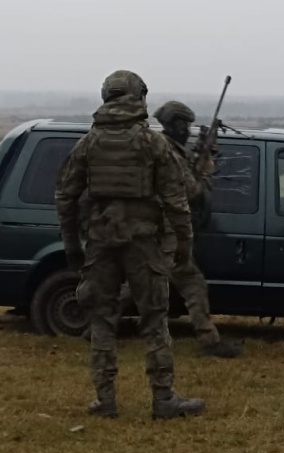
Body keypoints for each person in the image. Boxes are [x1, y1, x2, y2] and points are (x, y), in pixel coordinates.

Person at [55, 69, 206, 420]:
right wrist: (184, 243)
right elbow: (176, 199)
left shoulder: (89, 142)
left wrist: (71, 244)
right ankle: (163, 398)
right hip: (143, 243)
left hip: (100, 242)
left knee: (102, 320)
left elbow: (65, 195)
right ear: (139, 95)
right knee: (154, 318)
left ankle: (105, 399)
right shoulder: (152, 142)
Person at [151, 100, 243, 358]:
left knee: (143, 282)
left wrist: (204, 155)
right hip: (168, 230)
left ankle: (99, 323)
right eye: (185, 124)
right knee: (192, 284)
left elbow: (188, 167)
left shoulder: (169, 149)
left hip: (161, 228)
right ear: (176, 125)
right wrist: (206, 171)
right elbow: (193, 191)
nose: (189, 130)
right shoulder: (168, 153)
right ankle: (209, 340)